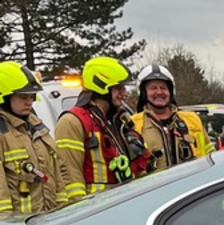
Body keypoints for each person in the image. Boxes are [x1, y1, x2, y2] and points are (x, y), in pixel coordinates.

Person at [54, 56, 147, 200]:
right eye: (118, 88)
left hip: (126, 201)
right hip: (97, 208)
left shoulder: (121, 119)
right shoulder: (72, 122)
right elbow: (70, 175)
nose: (124, 93)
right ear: (101, 86)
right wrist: (80, 212)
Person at [0, 62, 66, 214]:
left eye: (32, 96)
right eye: (23, 97)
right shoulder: (3, 134)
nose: (30, 102)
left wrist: (63, 211)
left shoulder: (38, 127)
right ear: (4, 97)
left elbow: (57, 176)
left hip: (49, 220)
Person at [130, 64, 213, 173]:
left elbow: (211, 156)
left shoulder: (192, 120)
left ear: (171, 91)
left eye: (163, 88)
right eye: (153, 88)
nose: (159, 92)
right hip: (154, 188)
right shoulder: (133, 124)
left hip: (194, 186)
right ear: (143, 92)